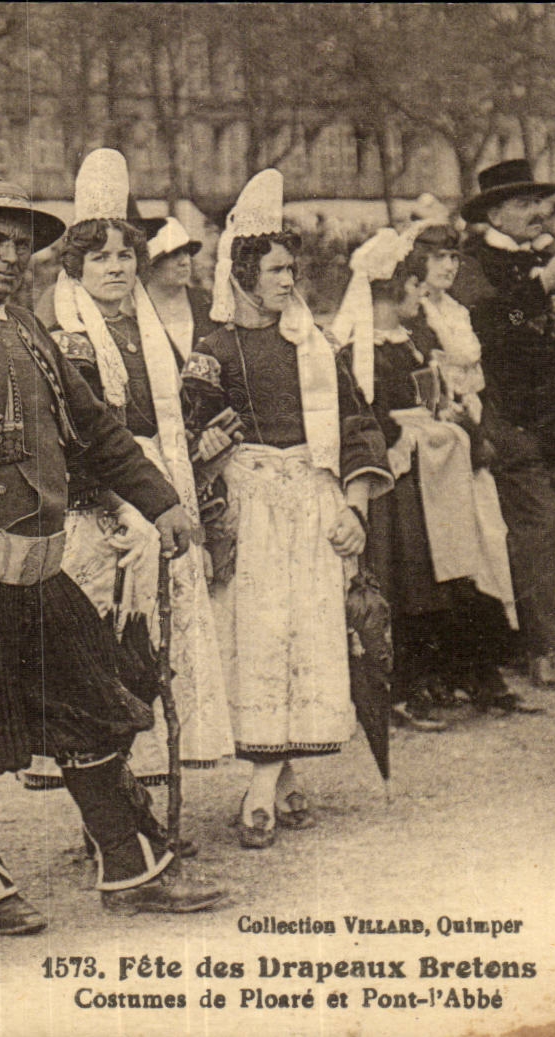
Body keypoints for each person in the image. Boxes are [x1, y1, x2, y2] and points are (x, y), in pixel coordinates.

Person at [0, 178, 226, 935]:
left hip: (36, 565)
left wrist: (162, 499)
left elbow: (97, 430)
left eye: (20, 242)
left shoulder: (32, 331)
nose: (11, 256)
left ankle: (128, 868)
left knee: (93, 706)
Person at [192, 169, 392, 850]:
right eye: (276, 270)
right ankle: (265, 781)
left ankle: (271, 782)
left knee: (304, 633)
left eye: (292, 270)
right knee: (259, 636)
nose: (288, 282)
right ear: (244, 274)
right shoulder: (211, 352)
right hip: (249, 510)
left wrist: (355, 507)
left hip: (310, 503)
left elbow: (360, 427)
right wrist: (206, 444)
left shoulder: (314, 346)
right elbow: (188, 436)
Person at [41, 149, 234, 791]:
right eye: (100, 257)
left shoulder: (145, 326)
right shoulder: (67, 330)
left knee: (162, 639)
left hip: (156, 483)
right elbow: (81, 430)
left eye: (125, 256)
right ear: (77, 265)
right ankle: (109, 791)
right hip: (100, 500)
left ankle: (149, 780)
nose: (116, 268)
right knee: (109, 641)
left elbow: (166, 410)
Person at [334, 223, 528, 730]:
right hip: (396, 482)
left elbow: (430, 398)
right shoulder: (359, 349)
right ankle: (398, 687)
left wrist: (444, 417)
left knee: (449, 572)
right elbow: (362, 416)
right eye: (415, 287)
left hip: (433, 478)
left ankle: (452, 674)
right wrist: (409, 430)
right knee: (404, 577)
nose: (423, 294)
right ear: (394, 289)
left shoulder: (411, 340)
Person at [454, 159, 555, 691]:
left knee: (546, 525)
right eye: (523, 203)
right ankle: (543, 650)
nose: (538, 213)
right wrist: (541, 289)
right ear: (494, 212)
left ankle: (538, 638)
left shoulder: (547, 254)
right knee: (534, 525)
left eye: (539, 202)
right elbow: (488, 326)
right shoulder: (473, 262)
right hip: (509, 412)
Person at [138, 215, 217, 359]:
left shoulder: (208, 302)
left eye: (186, 252)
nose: (185, 261)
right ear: (151, 264)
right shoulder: (135, 310)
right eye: (174, 255)